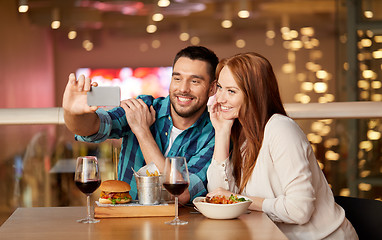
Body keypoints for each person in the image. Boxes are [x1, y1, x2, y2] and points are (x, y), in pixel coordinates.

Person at [206, 52, 358, 240]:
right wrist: (221, 132)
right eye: (220, 87)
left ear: (254, 94)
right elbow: (219, 196)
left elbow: (299, 210)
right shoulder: (243, 134)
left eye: (231, 91)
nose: (219, 98)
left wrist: (238, 200)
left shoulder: (281, 129)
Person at [63, 46, 219, 204]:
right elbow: (92, 128)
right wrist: (72, 112)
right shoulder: (143, 106)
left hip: (179, 225)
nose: (183, 89)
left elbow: (181, 193)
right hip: (127, 222)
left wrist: (142, 132)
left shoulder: (214, 135)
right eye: (177, 78)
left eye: (195, 81)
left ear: (212, 88)